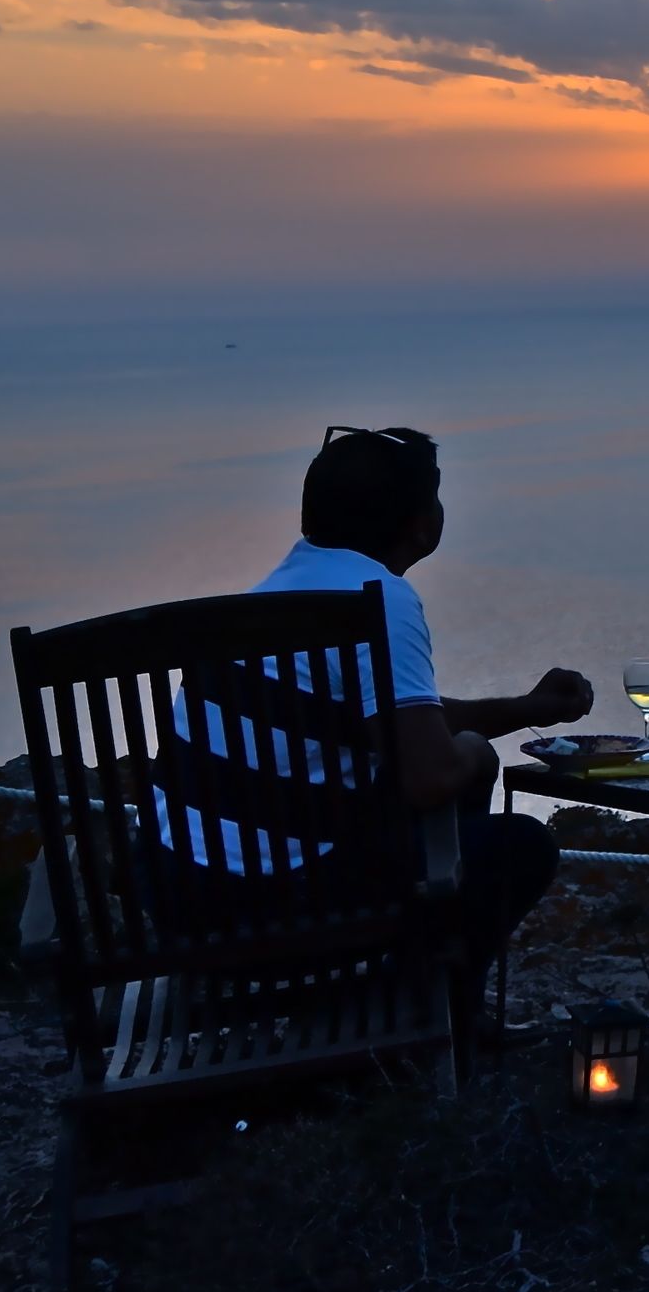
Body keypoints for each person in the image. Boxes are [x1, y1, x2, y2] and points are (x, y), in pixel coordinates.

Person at [161, 425, 591, 1031]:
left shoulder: (274, 594)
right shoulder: (379, 599)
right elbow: (427, 777)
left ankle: (418, 1005)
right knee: (523, 847)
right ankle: (435, 1021)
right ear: (420, 524)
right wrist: (473, 757)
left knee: (437, 774)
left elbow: (400, 719)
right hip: (277, 913)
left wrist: (527, 709)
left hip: (181, 901)